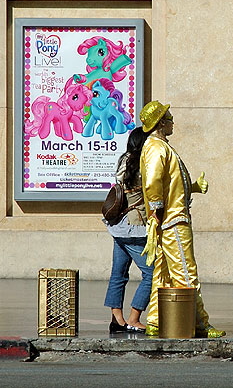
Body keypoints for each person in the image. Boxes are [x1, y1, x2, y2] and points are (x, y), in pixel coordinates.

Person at [138, 100, 226, 338]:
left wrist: (194, 186)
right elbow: (153, 182)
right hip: (173, 220)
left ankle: (155, 321)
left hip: (168, 218)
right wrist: (156, 209)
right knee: (186, 273)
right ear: (161, 123)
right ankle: (200, 324)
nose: (173, 122)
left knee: (163, 274)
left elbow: (169, 183)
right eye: (169, 118)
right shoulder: (157, 148)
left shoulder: (158, 147)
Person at [103, 127, 154, 333]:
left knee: (119, 273)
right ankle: (134, 317)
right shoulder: (144, 165)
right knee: (151, 273)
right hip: (135, 227)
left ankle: (117, 318)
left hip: (119, 225)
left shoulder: (124, 161)